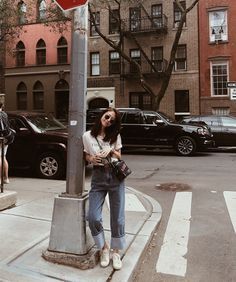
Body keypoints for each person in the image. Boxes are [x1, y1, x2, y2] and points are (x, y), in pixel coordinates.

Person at [83, 107, 125, 270]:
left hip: (115, 177)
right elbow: (86, 155)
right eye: (107, 117)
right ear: (101, 115)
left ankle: (116, 252)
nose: (108, 121)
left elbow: (120, 156)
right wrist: (92, 158)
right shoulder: (87, 136)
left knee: (118, 217)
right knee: (92, 217)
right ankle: (104, 248)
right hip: (99, 177)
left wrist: (111, 150)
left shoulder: (115, 135)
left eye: (112, 120)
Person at [0, 102, 10, 184]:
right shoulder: (4, 114)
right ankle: (6, 178)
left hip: (0, 138)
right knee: (3, 157)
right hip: (6, 138)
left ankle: (0, 179)